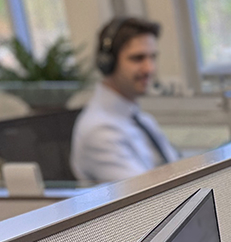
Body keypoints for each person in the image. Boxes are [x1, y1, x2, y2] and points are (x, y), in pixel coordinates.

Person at [70, 16, 179, 183]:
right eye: (138, 58)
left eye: (153, 57)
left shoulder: (142, 119)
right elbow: (147, 197)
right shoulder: (99, 132)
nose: (149, 68)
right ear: (107, 63)